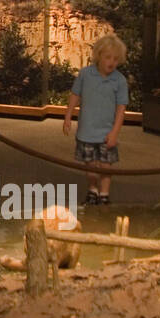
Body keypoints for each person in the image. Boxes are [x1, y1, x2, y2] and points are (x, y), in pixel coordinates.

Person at [63, 33, 129, 206]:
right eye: (108, 57)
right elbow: (75, 95)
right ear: (99, 55)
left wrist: (114, 133)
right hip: (87, 131)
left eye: (116, 59)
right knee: (90, 165)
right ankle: (93, 190)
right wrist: (68, 116)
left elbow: (121, 109)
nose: (111, 62)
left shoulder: (120, 81)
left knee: (106, 165)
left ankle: (104, 194)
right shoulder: (85, 74)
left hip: (107, 132)